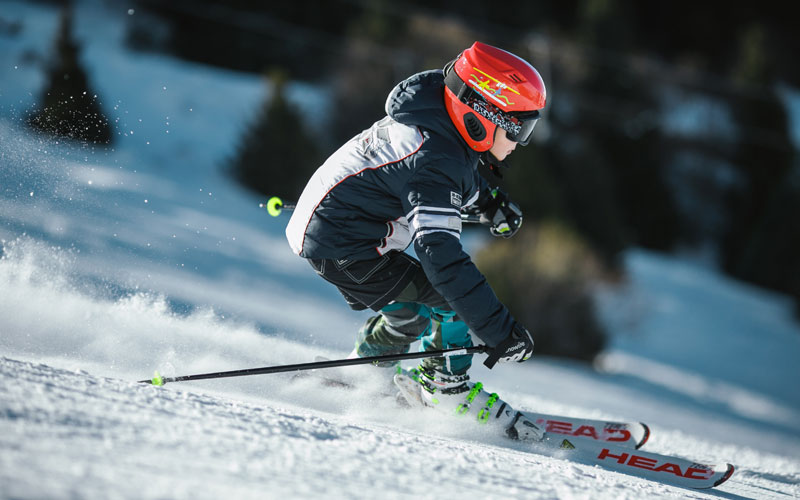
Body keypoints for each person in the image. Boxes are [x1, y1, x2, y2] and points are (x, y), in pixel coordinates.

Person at [285, 42, 546, 440]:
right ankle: (445, 388)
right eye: (518, 128)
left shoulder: (436, 122)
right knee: (452, 305)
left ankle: (365, 370)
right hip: (345, 246)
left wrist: (489, 203)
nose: (519, 142)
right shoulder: (433, 160)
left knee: (412, 312)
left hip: (337, 233)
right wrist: (499, 331)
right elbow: (440, 257)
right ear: (483, 116)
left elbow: (455, 173)